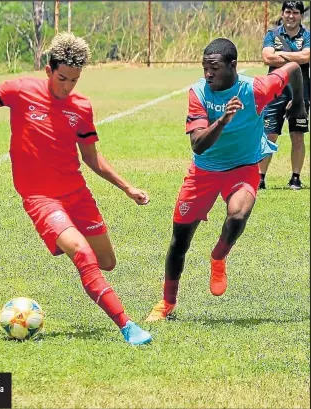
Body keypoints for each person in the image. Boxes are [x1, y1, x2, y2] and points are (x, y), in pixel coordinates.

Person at [0, 33, 152, 345]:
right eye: (62, 78)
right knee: (82, 253)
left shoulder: (81, 108)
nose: (67, 87)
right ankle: (128, 327)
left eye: (74, 80)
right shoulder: (21, 90)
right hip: (40, 198)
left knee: (106, 262)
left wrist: (127, 188)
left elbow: (91, 158)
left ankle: (67, 242)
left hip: (77, 194)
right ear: (48, 70)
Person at [146, 38, 307, 321]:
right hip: (203, 173)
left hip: (243, 168)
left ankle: (218, 257)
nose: (208, 74)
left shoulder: (255, 89)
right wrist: (221, 121)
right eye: (205, 67)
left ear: (232, 66)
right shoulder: (198, 93)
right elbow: (198, 145)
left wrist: (298, 106)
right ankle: (166, 304)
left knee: (237, 216)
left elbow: (294, 67)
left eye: (214, 68)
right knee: (179, 242)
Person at [259, 0, 310, 190]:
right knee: (269, 134)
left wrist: (280, 54)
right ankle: (260, 177)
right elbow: (266, 58)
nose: (291, 16)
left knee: (298, 135)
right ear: (282, 13)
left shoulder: (307, 36)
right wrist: (296, 56)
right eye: (288, 12)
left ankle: (295, 178)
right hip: (274, 93)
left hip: (300, 92)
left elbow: (307, 57)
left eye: (296, 13)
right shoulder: (272, 34)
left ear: (301, 16)